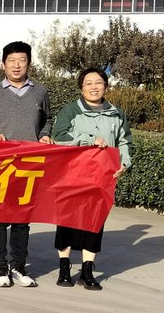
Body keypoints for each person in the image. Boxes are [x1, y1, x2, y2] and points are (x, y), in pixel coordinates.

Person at [0, 41, 52, 288]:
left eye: (22, 60)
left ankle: (18, 266)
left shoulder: (40, 91)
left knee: (22, 219)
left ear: (29, 63)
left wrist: (44, 135)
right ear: (3, 64)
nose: (17, 65)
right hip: (0, 164)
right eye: (12, 61)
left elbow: (48, 120)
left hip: (29, 164)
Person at [51, 67, 131, 291]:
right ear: (81, 88)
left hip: (101, 178)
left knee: (95, 223)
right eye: (88, 83)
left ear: (105, 86)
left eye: (98, 82)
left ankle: (87, 271)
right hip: (72, 175)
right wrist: (88, 139)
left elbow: (125, 141)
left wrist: (124, 163)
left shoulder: (117, 113)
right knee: (67, 221)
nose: (94, 87)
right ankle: (64, 268)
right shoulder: (70, 110)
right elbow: (59, 136)